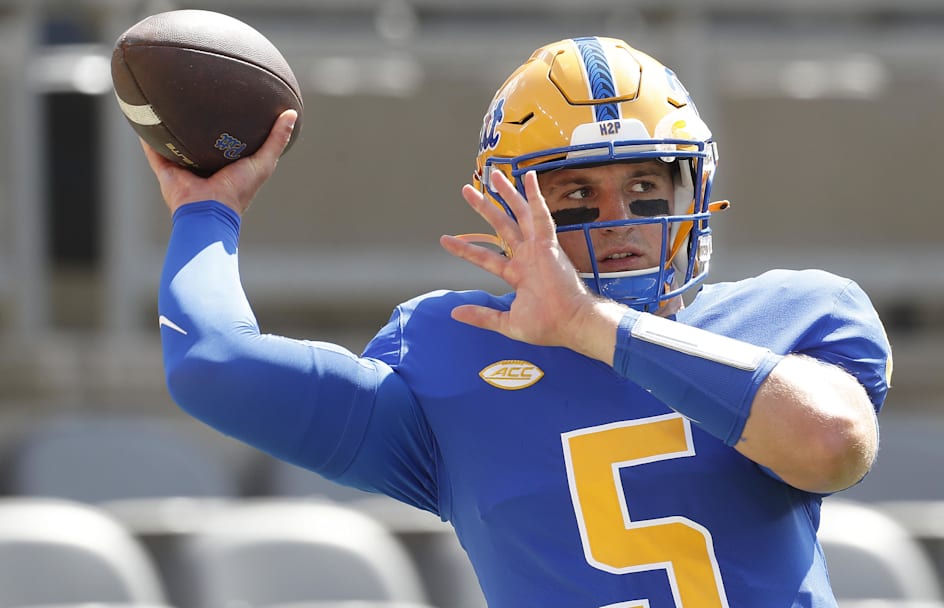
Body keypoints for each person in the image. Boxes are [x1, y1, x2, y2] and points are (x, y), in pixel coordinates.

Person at [147, 36, 892, 608]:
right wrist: (207, 212)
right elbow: (212, 368)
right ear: (509, 208)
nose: (619, 219)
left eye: (644, 184)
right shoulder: (451, 353)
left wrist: (590, 325)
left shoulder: (792, 316)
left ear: (690, 192)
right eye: (576, 195)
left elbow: (831, 446)